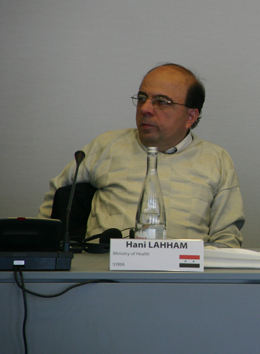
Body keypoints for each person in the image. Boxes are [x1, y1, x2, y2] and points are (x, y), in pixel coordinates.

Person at [39, 63, 244, 247]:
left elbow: (226, 239)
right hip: (104, 268)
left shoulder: (215, 159)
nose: (145, 109)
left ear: (190, 116)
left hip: (183, 272)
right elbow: (55, 204)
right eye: (142, 98)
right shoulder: (107, 145)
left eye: (161, 102)